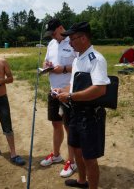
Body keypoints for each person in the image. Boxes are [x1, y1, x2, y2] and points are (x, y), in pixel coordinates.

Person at [55, 22, 110, 189]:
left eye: (72, 39)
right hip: (76, 113)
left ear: (84, 38)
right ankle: (81, 181)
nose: (70, 43)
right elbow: (74, 86)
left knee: (89, 157)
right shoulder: (79, 58)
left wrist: (70, 96)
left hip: (90, 116)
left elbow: (100, 89)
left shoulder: (96, 59)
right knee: (76, 150)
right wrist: (61, 91)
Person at [40, 18, 78, 178]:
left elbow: (79, 65)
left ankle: (72, 162)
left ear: (61, 28)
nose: (53, 36)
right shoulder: (51, 44)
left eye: (54, 33)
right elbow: (46, 60)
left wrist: (62, 69)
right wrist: (47, 66)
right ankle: (56, 155)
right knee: (56, 124)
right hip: (53, 91)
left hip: (67, 92)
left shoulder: (73, 42)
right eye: (50, 34)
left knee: (69, 127)